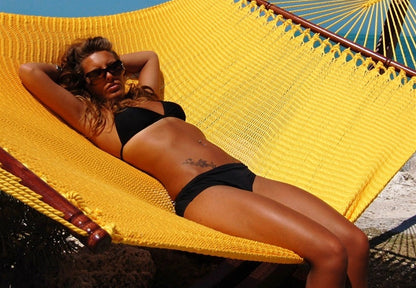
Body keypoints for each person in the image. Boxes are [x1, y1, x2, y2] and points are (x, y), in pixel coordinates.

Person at [19, 36, 369, 288]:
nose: (110, 75)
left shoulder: (146, 97)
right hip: (205, 192)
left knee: (354, 242)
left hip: (242, 175)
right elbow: (30, 70)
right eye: (98, 74)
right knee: (327, 252)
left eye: (114, 67)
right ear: (83, 82)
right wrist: (71, 72)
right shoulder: (96, 119)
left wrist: (109, 61)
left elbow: (150, 57)